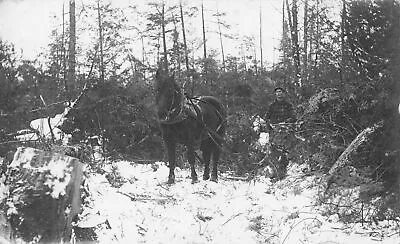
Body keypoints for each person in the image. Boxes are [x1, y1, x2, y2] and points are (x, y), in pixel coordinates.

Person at [263, 87, 296, 181]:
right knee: (273, 151)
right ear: (275, 94)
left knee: (285, 152)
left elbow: (293, 117)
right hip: (274, 131)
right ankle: (274, 171)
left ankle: (284, 171)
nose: (279, 94)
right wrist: (270, 125)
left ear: (284, 93)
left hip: (286, 131)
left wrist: (285, 123)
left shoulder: (288, 105)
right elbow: (267, 117)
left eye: (280, 92)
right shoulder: (272, 106)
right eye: (277, 92)